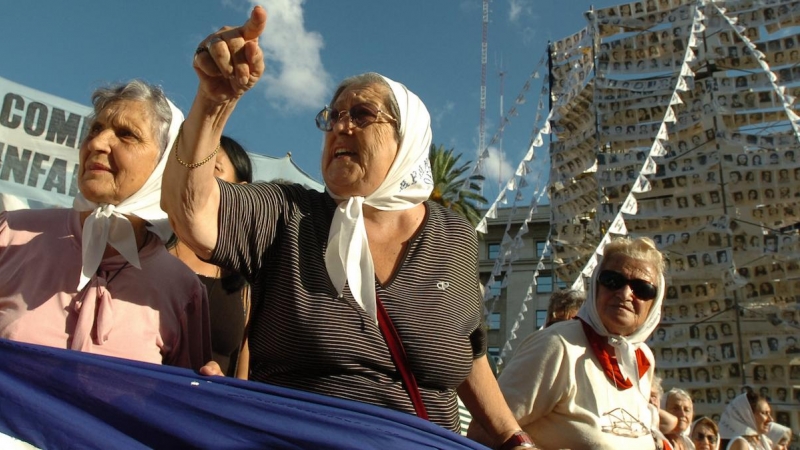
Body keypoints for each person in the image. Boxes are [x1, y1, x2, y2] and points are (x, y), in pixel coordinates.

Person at [161, 8, 530, 446]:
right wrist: (214, 102)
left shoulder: (453, 237)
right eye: (332, 117)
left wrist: (513, 438)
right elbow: (191, 212)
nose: (340, 126)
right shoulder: (288, 214)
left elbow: (469, 354)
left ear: (408, 138)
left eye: (361, 113)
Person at [0, 80, 211, 369]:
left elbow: (181, 401)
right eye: (96, 129)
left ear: (164, 164)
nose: (97, 143)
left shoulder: (184, 291)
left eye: (126, 134)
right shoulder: (10, 233)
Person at [470, 237, 666, 449]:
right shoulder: (557, 345)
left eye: (642, 289)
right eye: (612, 280)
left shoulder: (642, 359)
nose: (625, 293)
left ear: (654, 304)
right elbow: (482, 432)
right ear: (596, 287)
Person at [168, 135, 253, 377]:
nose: (199, 175)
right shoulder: (152, 244)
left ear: (241, 191)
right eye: (196, 165)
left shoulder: (248, 279)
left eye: (214, 167)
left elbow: (244, 375)